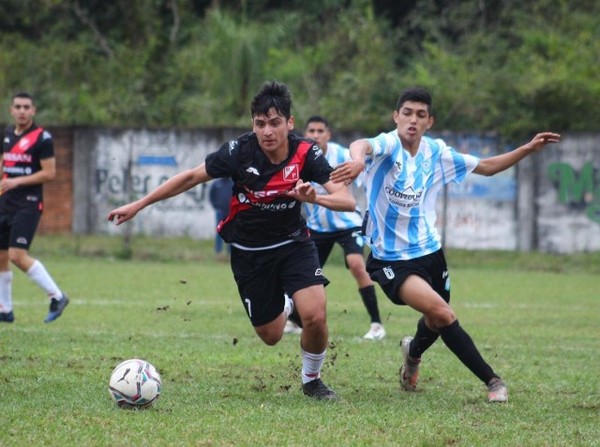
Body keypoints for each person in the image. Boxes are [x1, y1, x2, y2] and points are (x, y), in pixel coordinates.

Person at [108, 81, 355, 400]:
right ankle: (286, 302)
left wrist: (315, 198)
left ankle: (312, 380)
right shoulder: (238, 152)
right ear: (253, 124)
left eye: (275, 123)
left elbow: (347, 200)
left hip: (294, 243)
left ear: (290, 123)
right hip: (249, 252)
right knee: (271, 335)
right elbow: (190, 177)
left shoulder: (306, 153)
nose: (267, 131)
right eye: (260, 123)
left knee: (316, 316)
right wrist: (138, 204)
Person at [331, 87, 561, 402]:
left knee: (435, 320)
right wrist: (358, 161)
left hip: (431, 253)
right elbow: (361, 144)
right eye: (407, 113)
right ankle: (493, 382)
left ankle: (412, 353)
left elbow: (488, 167)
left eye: (420, 115)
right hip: (390, 260)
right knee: (444, 313)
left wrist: (526, 149)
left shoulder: (437, 153)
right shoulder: (387, 146)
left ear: (430, 121)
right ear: (396, 116)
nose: (412, 120)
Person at [290, 115, 385, 340]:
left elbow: (366, 171)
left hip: (347, 223)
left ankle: (376, 324)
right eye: (311, 131)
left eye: (320, 131)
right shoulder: (300, 158)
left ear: (328, 135)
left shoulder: (342, 155)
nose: (315, 135)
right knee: (304, 274)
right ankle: (295, 320)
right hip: (317, 227)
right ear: (306, 134)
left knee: (356, 264)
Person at [0, 92, 69, 323]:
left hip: (27, 205)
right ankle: (5, 310)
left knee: (17, 256)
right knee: (1, 256)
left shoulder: (43, 138)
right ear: (11, 110)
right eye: (17, 106)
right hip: (5, 203)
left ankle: (57, 296)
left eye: (26, 107)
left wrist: (15, 181)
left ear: (33, 110)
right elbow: (5, 166)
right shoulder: (7, 134)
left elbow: (50, 173)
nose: (21, 110)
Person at [208, 177, 234, 260]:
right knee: (219, 232)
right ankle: (218, 252)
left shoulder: (233, 183)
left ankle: (230, 253)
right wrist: (216, 206)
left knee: (230, 232)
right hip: (220, 211)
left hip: (230, 211)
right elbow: (211, 195)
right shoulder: (216, 184)